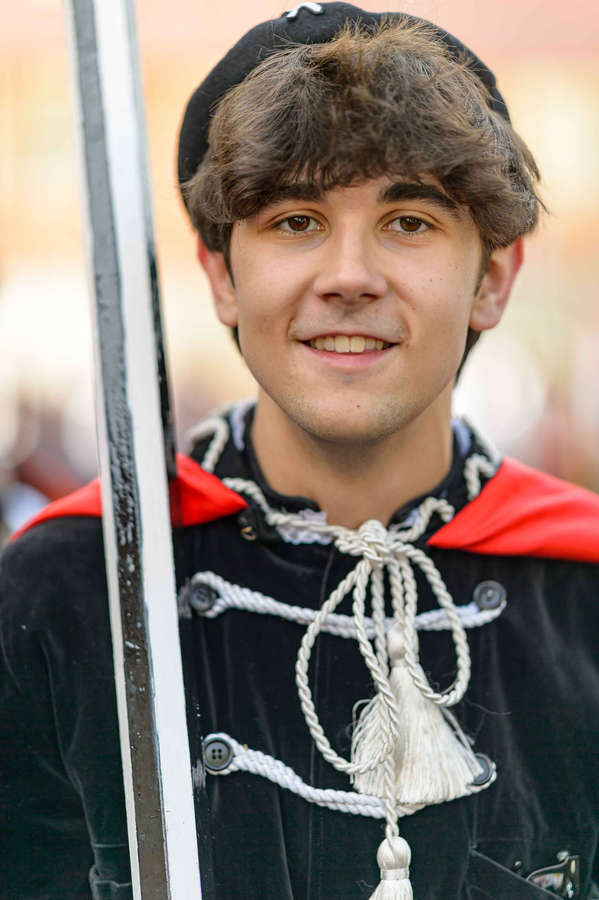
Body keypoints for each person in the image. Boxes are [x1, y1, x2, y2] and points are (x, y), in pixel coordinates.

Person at [1, 4, 599, 898]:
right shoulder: (66, 591)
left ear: (493, 279)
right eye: (294, 221)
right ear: (221, 277)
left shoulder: (583, 590)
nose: (348, 276)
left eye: (409, 222)